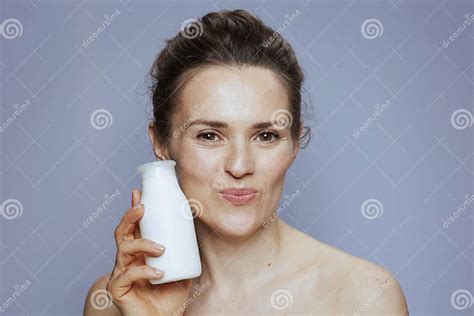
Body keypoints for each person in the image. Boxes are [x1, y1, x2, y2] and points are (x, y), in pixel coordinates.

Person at [84, 9, 408, 315]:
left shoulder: (365, 296)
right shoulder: (114, 301)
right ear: (161, 143)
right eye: (209, 136)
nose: (239, 167)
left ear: (295, 143)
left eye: (266, 136)